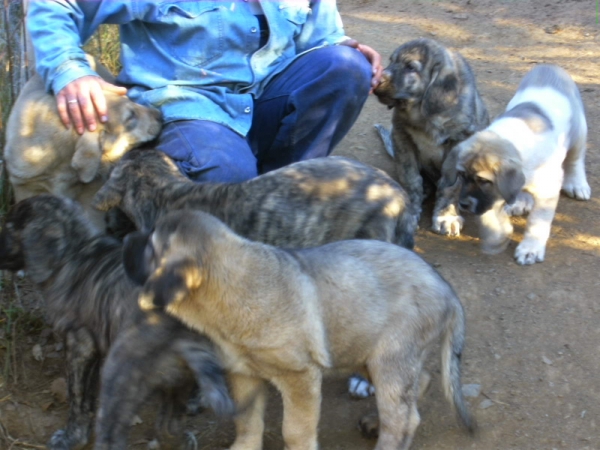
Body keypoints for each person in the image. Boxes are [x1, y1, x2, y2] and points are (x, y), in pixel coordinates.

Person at [27, 0, 383, 183]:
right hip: (191, 110)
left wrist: (342, 45)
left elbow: (319, 36)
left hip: (264, 99)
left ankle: (282, 195)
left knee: (347, 67)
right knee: (227, 178)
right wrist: (70, 71)